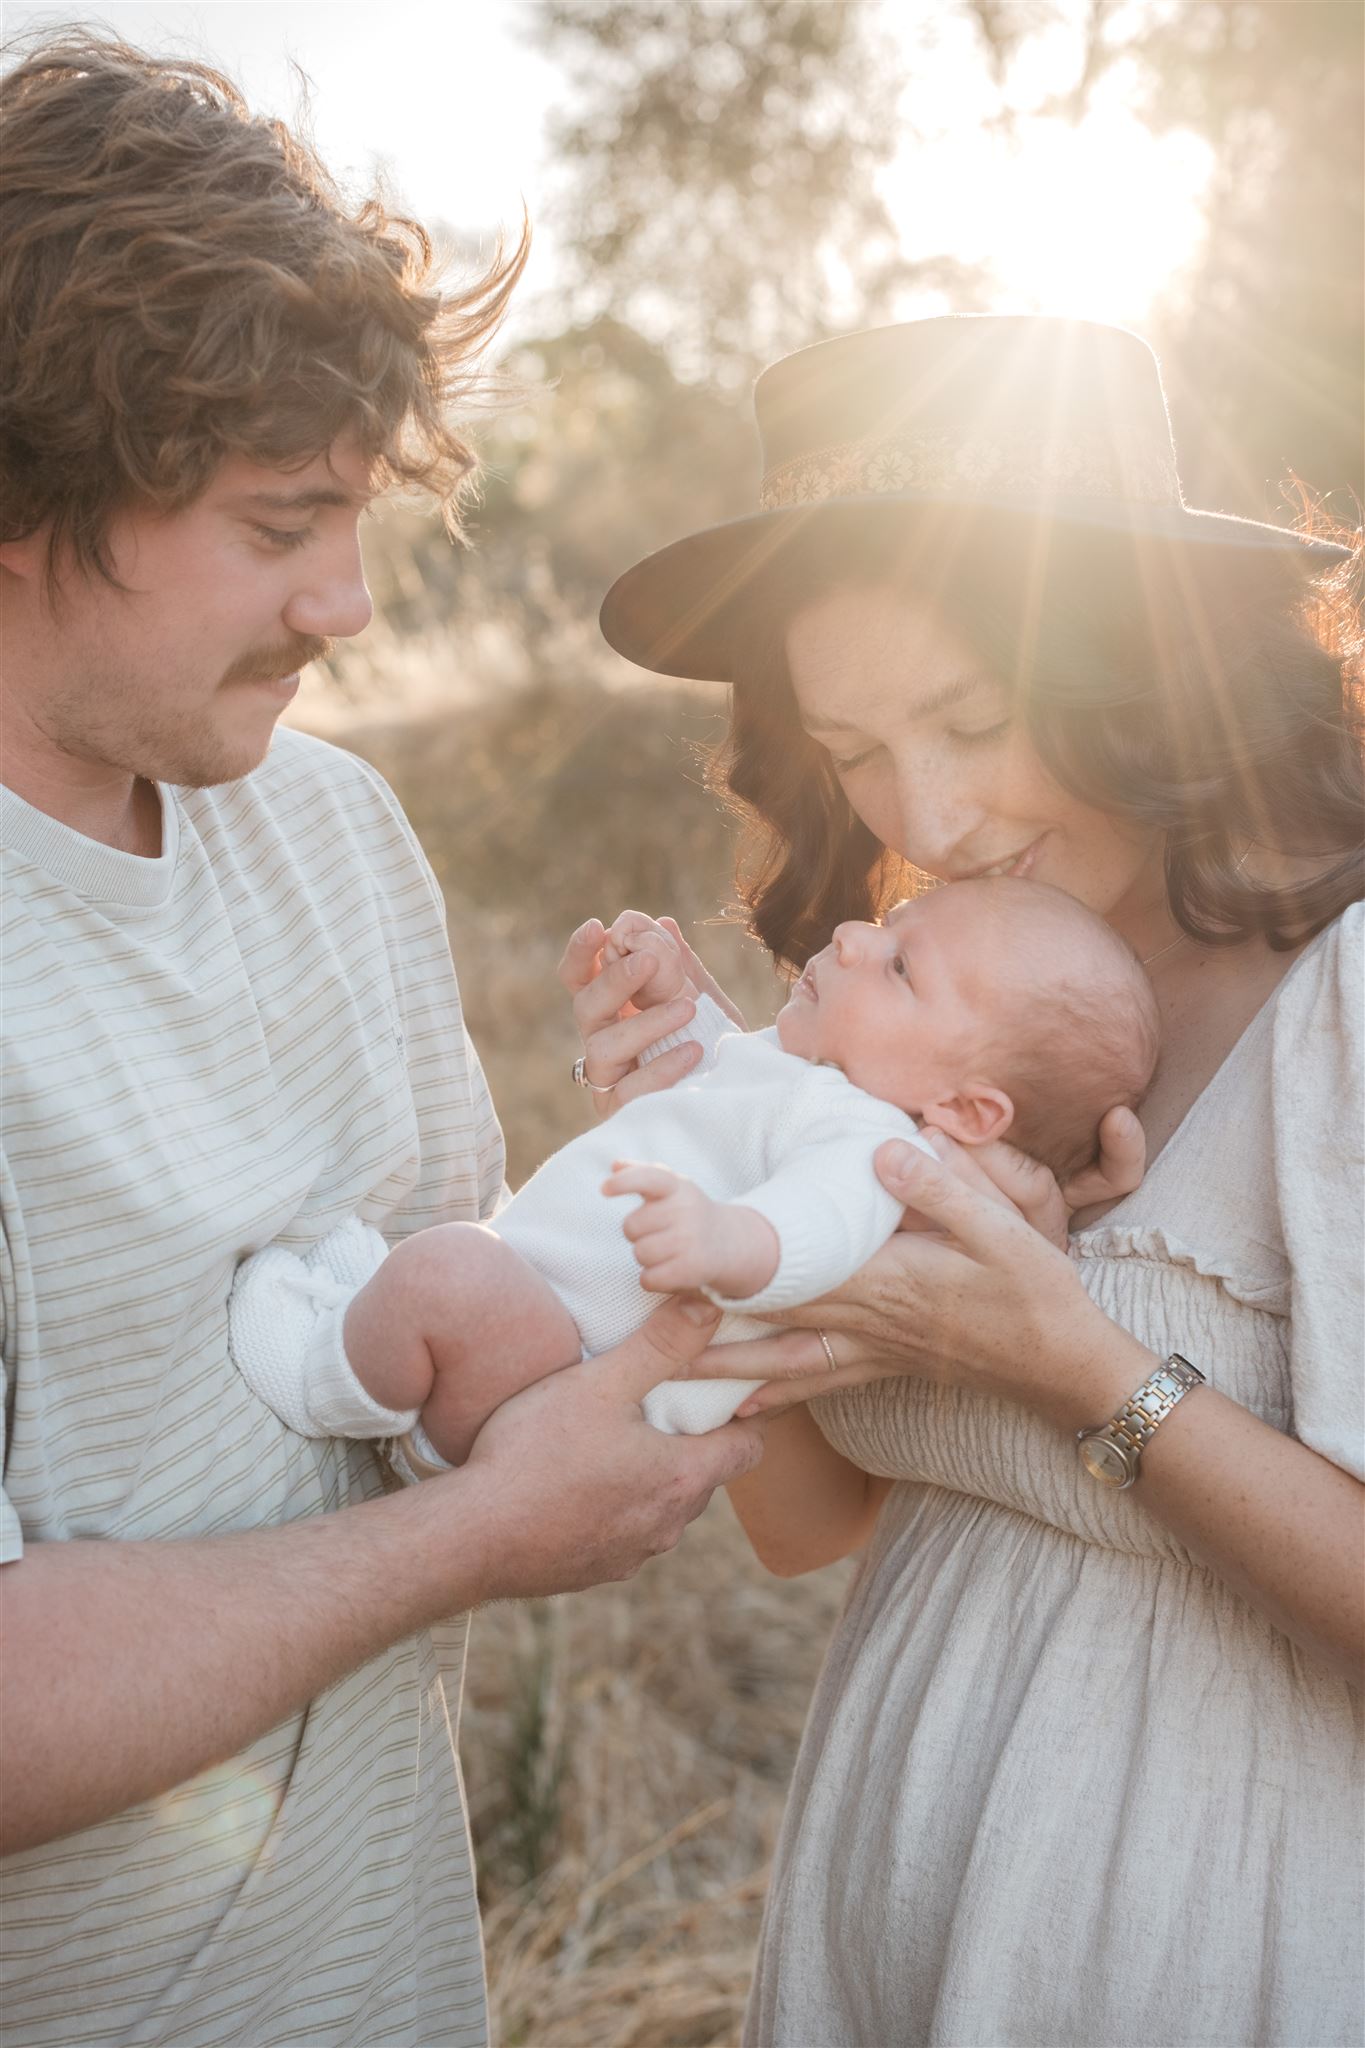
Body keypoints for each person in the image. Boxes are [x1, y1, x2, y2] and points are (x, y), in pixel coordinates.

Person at [0, 35, 763, 2048]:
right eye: (277, 526)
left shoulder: (334, 829)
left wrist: (763, 1145)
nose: (346, 599)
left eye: (355, 516)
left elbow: (473, 1356)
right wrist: (476, 1539)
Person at [570, 315, 1365, 2045]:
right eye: (854, 744)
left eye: (978, 715)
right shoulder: (926, 1024)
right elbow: (810, 1526)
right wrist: (708, 1182)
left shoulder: (1346, 994)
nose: (920, 806)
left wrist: (1074, 1359)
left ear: (1149, 666)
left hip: (1214, 1949)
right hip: (903, 1926)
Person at [227, 880, 1157, 1458]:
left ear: (965, 1111)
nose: (849, 938)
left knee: (446, 1268)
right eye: (885, 921)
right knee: (446, 1264)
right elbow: (728, 1088)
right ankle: (374, 1337)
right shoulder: (807, 1082)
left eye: (901, 968)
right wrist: (675, 1005)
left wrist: (727, 1241)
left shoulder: (879, 1150)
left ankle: (323, 1380)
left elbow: (817, 1226)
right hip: (548, 1311)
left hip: (570, 1365)